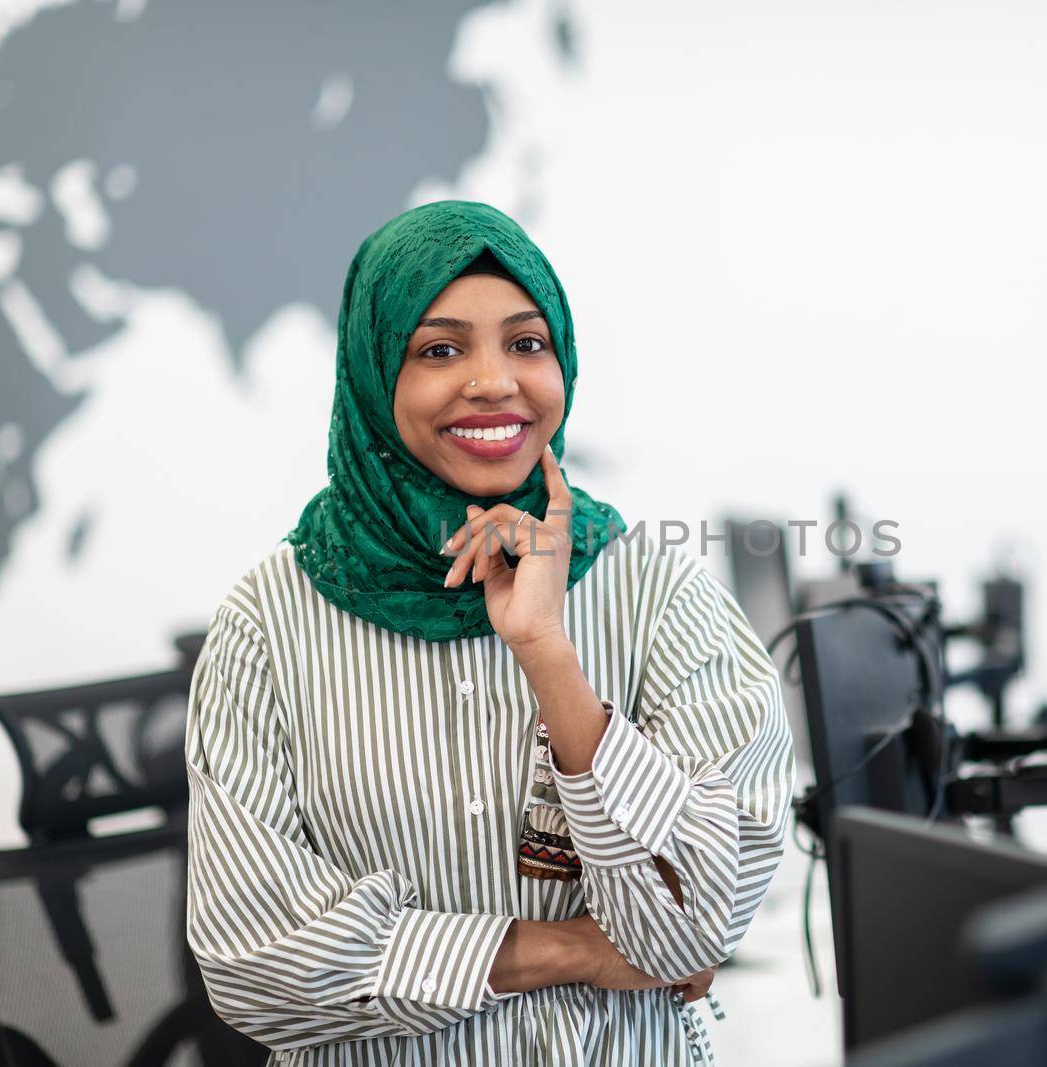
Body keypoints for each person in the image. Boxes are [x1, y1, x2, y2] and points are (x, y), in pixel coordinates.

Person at [184, 200, 796, 1066]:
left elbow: (692, 922)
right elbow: (257, 966)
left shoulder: (661, 596)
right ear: (372, 372)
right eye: (439, 350)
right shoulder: (269, 625)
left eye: (526, 343)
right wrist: (569, 948)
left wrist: (551, 658)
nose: (494, 382)